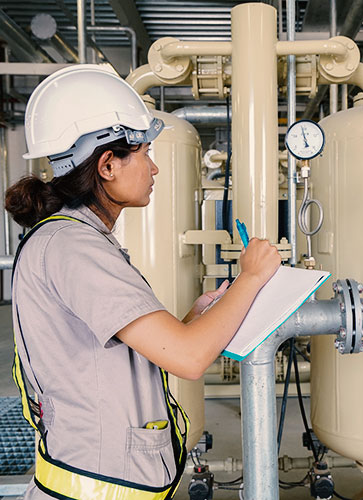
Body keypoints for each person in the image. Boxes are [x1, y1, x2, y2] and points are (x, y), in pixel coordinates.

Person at [5, 64, 281, 499]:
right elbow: (188, 359)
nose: (154, 168)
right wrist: (253, 275)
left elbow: (126, 351)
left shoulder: (76, 238)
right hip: (96, 486)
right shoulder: (73, 247)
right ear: (108, 164)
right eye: (145, 152)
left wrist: (193, 318)